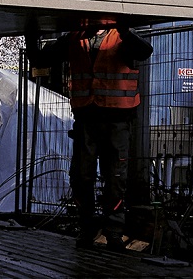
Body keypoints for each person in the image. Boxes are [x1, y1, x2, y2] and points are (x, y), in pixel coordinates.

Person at [41, 15, 154, 251]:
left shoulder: (121, 36)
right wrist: (32, 33)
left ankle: (113, 232)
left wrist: (125, 31)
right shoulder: (74, 38)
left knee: (115, 179)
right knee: (82, 176)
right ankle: (88, 229)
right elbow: (43, 57)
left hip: (116, 120)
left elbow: (144, 51)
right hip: (87, 119)